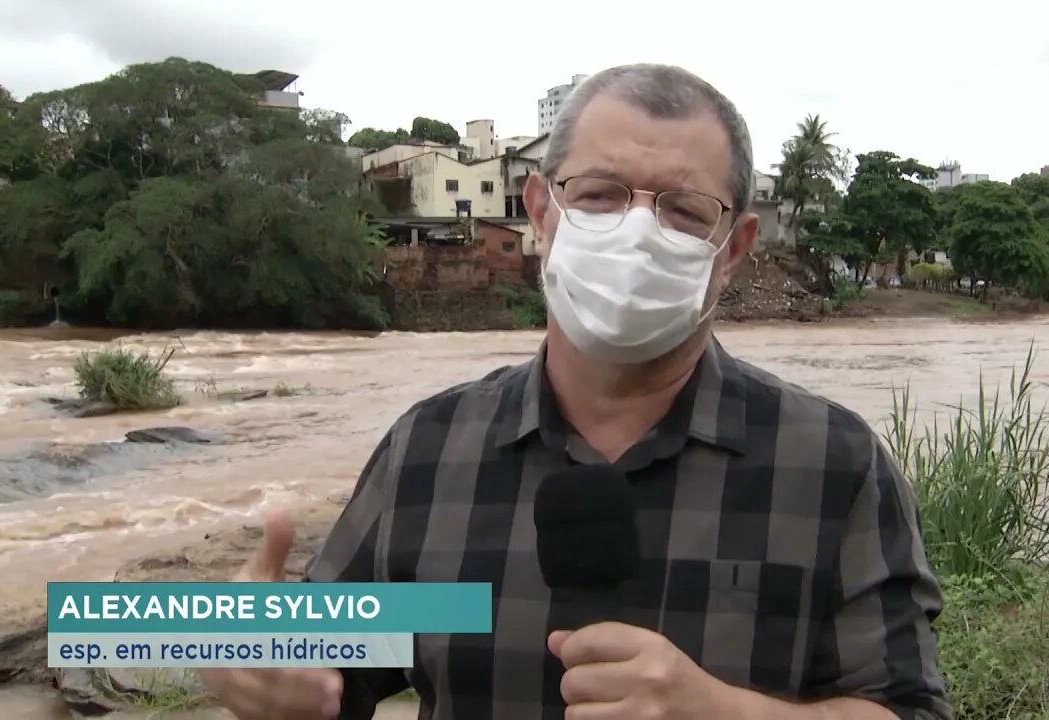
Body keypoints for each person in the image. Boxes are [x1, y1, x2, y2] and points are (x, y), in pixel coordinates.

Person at [201, 63, 952, 720]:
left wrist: (725, 713)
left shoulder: (833, 467)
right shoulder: (427, 453)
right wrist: (268, 669)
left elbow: (907, 705)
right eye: (598, 196)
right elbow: (329, 672)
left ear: (735, 250)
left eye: (684, 211)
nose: (635, 235)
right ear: (538, 210)